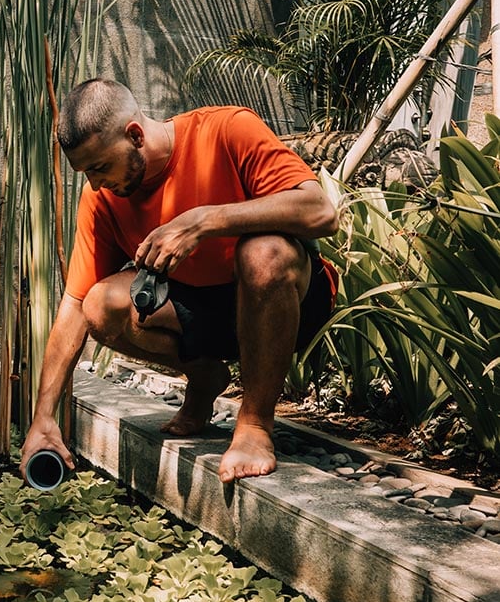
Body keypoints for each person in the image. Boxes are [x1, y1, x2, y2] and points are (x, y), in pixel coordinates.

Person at [18, 78, 339, 483]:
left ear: (135, 134)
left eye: (99, 167)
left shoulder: (227, 129)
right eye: (85, 173)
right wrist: (43, 417)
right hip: (201, 316)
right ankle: (205, 378)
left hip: (286, 303)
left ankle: (255, 425)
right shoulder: (102, 199)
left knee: (263, 252)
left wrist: (204, 221)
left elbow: (321, 212)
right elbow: (75, 303)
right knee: (100, 303)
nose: (96, 184)